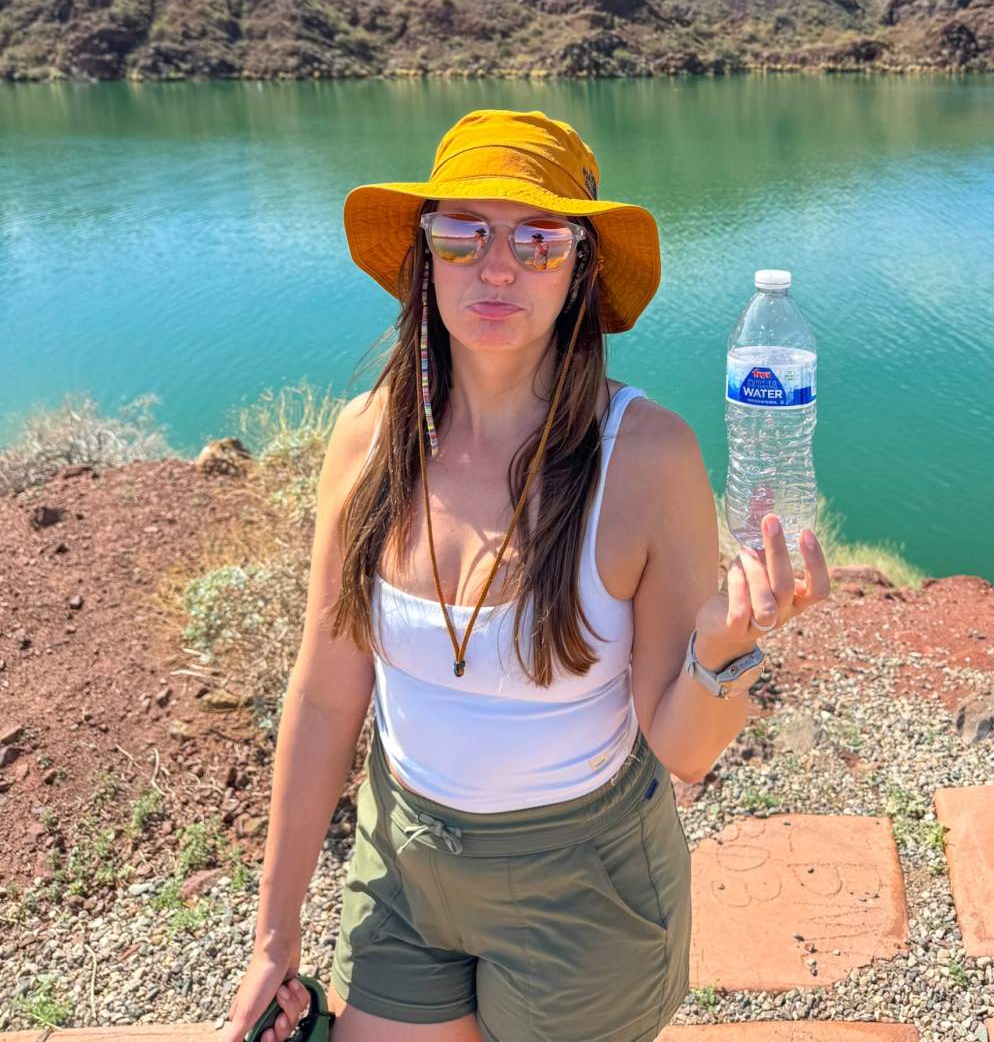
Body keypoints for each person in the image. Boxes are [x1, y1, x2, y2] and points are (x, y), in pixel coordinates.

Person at [220, 108, 830, 1042]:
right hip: (402, 865)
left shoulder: (647, 457)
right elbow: (326, 693)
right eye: (462, 235)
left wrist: (724, 648)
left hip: (583, 890)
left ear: (579, 268)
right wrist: (274, 933)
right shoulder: (367, 440)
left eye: (538, 241)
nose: (497, 268)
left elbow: (682, 748)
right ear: (425, 259)